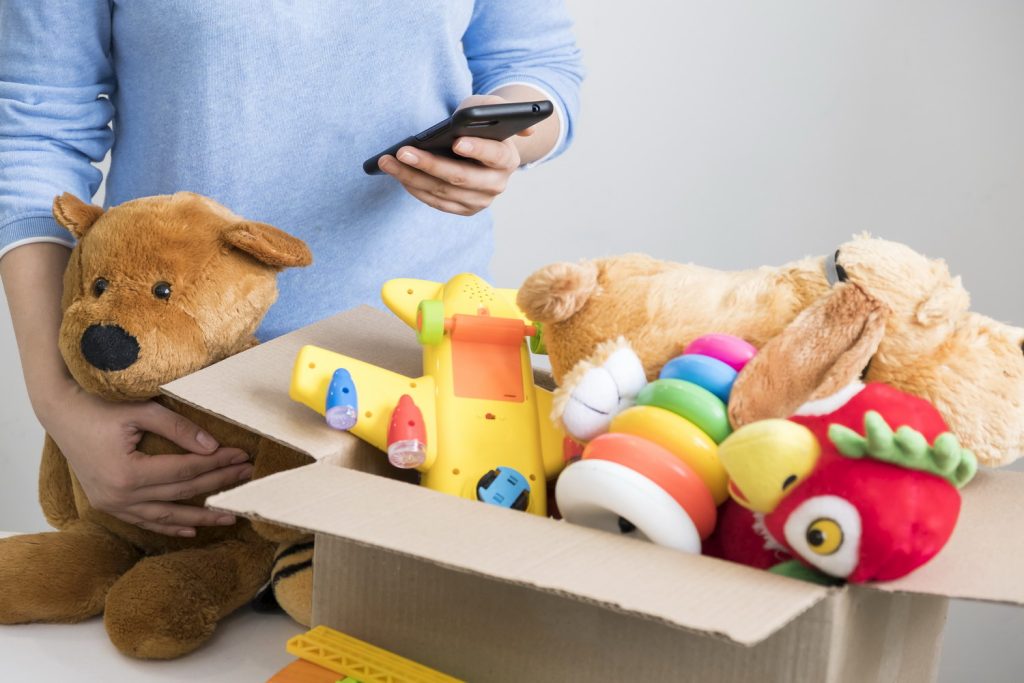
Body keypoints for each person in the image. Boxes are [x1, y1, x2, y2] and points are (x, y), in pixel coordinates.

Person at [0, 2, 583, 538]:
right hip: (175, 390)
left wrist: (510, 142)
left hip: (430, 380)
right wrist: (59, 400)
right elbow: (33, 130)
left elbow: (535, 64)